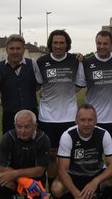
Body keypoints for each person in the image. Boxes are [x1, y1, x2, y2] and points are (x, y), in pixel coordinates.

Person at [51, 104, 112, 199]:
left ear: (96, 121)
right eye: (82, 120)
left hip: (96, 174)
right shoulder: (68, 136)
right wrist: (76, 194)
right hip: (74, 176)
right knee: (56, 188)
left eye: (90, 120)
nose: (86, 124)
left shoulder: (103, 134)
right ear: (76, 120)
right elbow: (62, 171)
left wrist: (96, 181)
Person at [35, 29, 84, 188]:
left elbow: (79, 84)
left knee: (69, 154)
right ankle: (52, 187)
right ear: (50, 44)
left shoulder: (75, 60)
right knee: (50, 155)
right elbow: (38, 84)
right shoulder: (41, 61)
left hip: (69, 116)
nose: (58, 46)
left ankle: (69, 186)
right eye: (55, 42)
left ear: (67, 44)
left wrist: (67, 93)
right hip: (47, 117)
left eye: (61, 42)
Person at [0, 110, 51, 199]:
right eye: (19, 126)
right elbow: (3, 169)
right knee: (4, 185)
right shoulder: (7, 138)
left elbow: (39, 170)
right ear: (14, 125)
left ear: (35, 126)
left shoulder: (43, 139)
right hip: (15, 180)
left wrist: (16, 174)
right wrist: (20, 179)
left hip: (35, 182)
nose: (22, 130)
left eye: (27, 126)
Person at [76, 30, 112, 149]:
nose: (102, 46)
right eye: (99, 43)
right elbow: (77, 86)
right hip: (92, 118)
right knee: (92, 153)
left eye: (105, 44)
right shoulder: (86, 63)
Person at [0, 34, 40, 134]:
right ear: (6, 50)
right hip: (9, 114)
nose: (15, 51)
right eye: (12, 48)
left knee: (34, 143)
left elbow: (39, 84)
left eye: (18, 48)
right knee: (10, 143)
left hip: (31, 112)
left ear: (23, 50)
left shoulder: (32, 64)